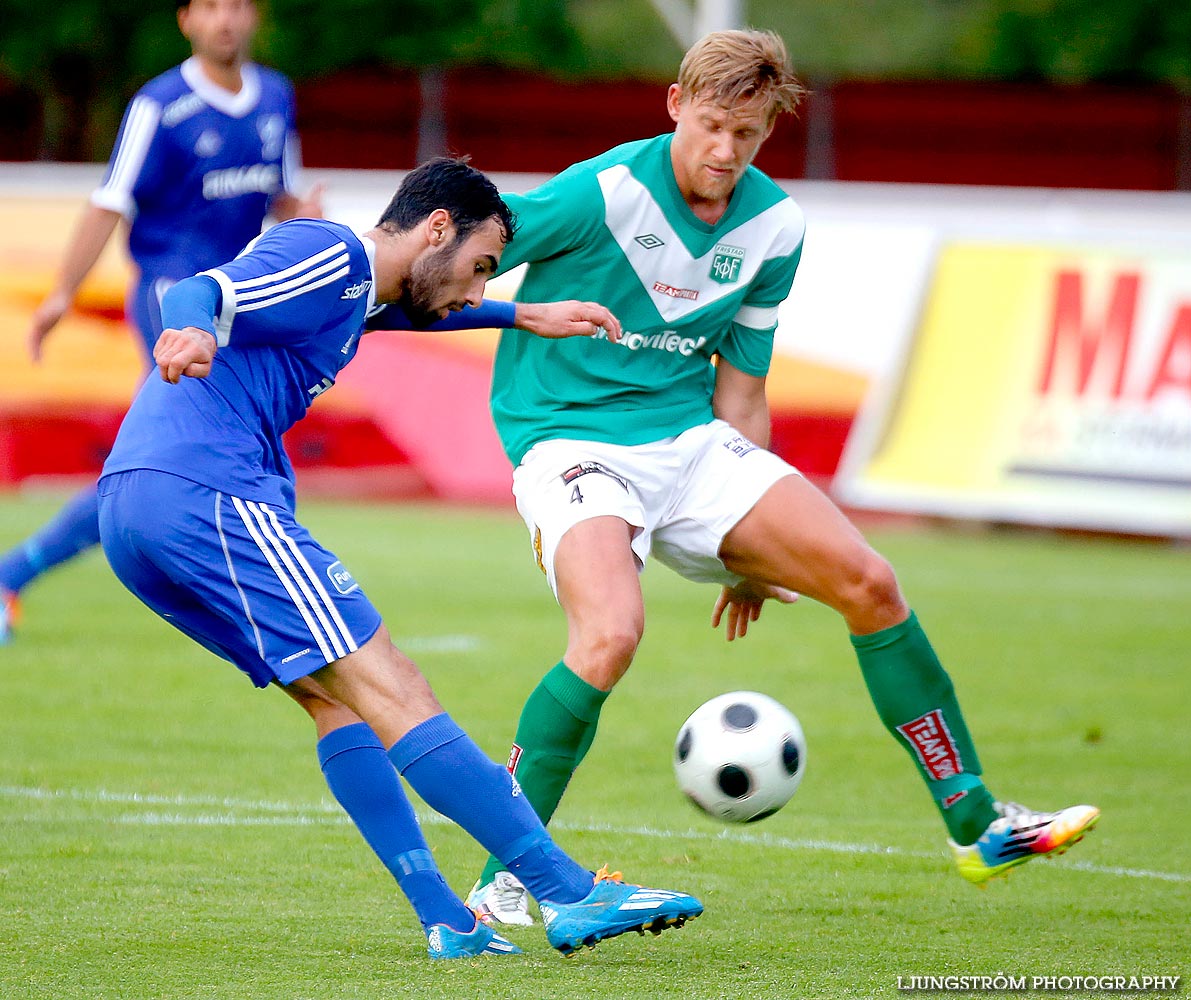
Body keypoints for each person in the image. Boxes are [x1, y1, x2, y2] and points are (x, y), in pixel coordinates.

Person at [466, 29, 1100, 926]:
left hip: (691, 445)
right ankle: (501, 880)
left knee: (869, 582)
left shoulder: (775, 227)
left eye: (749, 135)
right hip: (570, 445)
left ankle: (976, 823)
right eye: (713, 127)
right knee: (609, 636)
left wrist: (747, 551)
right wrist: (515, 306)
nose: (725, 153)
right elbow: (467, 249)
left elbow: (742, 391)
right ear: (676, 105)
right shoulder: (598, 193)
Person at [95, 156, 703, 959]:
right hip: (203, 488)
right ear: (436, 228)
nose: (477, 288)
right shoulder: (333, 254)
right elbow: (205, 290)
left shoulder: (355, 297)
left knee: (338, 702)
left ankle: (449, 921)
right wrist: (192, 325)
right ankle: (568, 891)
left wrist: (522, 316)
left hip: (137, 513)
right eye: (480, 267)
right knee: (393, 682)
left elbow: (412, 316)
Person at [1, 0, 322, 643]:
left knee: (194, 450)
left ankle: (14, 573)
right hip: (171, 297)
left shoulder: (275, 97)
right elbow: (109, 201)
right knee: (192, 448)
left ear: (254, 17)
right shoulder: (160, 104)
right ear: (187, 21)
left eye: (235, 6)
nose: (224, 20)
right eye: (210, 7)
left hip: (240, 301)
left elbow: (283, 201)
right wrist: (63, 292)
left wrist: (307, 227)